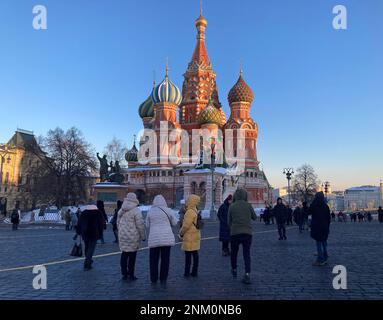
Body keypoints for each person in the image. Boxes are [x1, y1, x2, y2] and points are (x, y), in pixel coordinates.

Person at [146, 195, 178, 285]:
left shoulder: (150, 211)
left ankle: (153, 278)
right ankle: (163, 278)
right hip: (166, 239)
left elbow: (147, 225)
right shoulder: (168, 210)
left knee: (153, 260)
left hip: (154, 239)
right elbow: (175, 223)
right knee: (165, 259)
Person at [228, 189, 256, 285]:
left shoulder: (232, 206)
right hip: (247, 233)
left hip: (235, 233)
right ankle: (247, 273)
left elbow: (229, 221)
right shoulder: (248, 205)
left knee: (234, 253)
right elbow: (255, 217)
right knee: (246, 254)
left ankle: (234, 269)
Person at [117, 193, 146, 281]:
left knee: (124, 254)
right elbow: (140, 225)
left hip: (122, 236)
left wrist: (121, 231)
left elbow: (118, 222)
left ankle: (124, 273)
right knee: (132, 256)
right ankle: (131, 274)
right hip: (133, 236)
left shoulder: (121, 209)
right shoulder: (136, 210)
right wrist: (143, 236)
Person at [76, 204, 105, 271]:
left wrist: (78, 231)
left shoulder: (84, 213)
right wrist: (100, 234)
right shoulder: (98, 213)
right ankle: (87, 263)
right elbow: (101, 224)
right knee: (91, 249)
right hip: (94, 233)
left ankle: (87, 261)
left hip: (85, 233)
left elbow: (79, 223)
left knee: (87, 247)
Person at [179, 194, 201, 278]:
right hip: (195, 235)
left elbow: (186, 226)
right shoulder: (195, 210)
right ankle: (194, 271)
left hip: (189, 236)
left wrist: (181, 233)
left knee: (188, 256)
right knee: (195, 255)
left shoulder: (189, 212)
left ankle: (187, 272)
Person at [309, 192, 331, 266]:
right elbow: (329, 218)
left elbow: (308, 212)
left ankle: (320, 259)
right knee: (324, 242)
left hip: (317, 227)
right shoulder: (325, 206)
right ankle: (325, 257)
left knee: (318, 243)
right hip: (324, 227)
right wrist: (327, 226)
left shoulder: (314, 205)